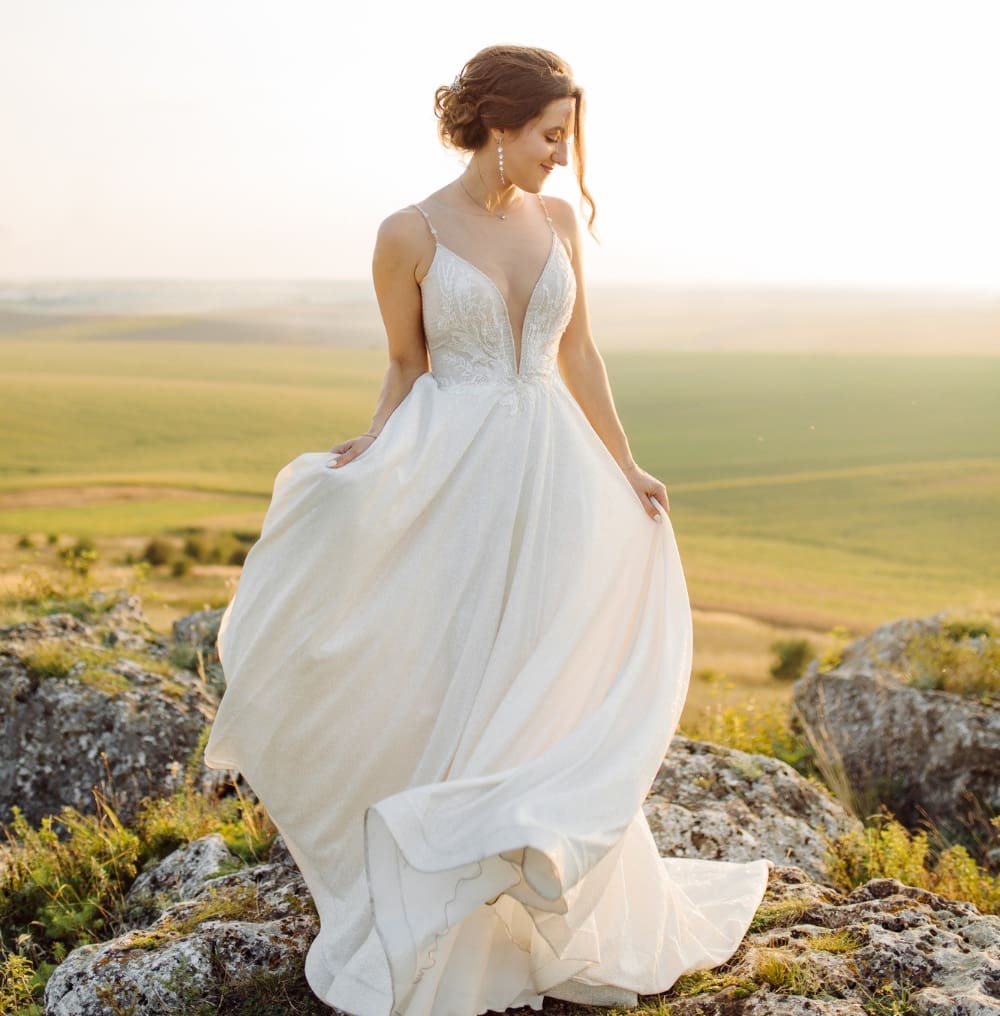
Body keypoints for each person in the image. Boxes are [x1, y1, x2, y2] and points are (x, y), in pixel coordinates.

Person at [204, 43, 771, 1016]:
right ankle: (450, 898)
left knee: (546, 669)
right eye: (551, 136)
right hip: (454, 470)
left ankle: (540, 867)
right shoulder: (407, 233)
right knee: (464, 661)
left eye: (567, 137)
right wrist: (371, 452)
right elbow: (404, 362)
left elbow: (580, 350)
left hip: (556, 471)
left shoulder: (555, 221)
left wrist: (626, 464)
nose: (562, 156)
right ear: (498, 128)